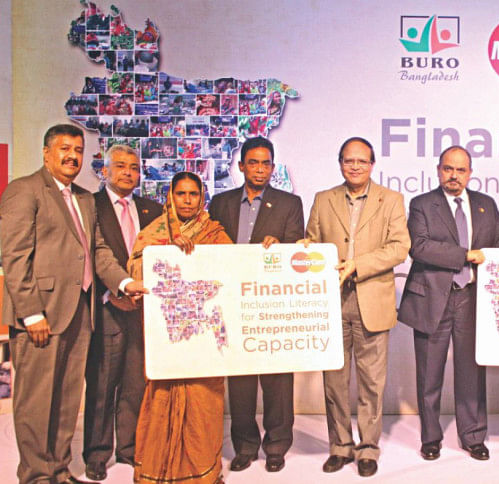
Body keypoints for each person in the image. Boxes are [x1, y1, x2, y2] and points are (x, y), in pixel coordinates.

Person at [0, 124, 146, 484]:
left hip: (80, 315)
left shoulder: (83, 199)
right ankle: (36, 475)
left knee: (66, 400)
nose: (72, 156)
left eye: (78, 150)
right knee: (36, 403)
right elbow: (15, 258)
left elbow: (98, 251)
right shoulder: (24, 190)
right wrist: (31, 314)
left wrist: (125, 283)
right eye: (64, 149)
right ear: (46, 153)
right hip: (41, 316)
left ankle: (59, 470)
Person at [301, 137, 410, 478]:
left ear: (372, 165)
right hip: (332, 300)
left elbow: (399, 247)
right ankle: (340, 446)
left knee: (371, 383)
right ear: (340, 163)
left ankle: (368, 449)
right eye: (349, 161)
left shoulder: (390, 199)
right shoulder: (323, 199)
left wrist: (358, 265)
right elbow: (312, 242)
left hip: (371, 299)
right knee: (334, 381)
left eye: (362, 161)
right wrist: (304, 249)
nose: (355, 166)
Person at [398, 146, 499, 462]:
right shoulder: (422, 204)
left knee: (471, 372)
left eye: (460, 170)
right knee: (429, 374)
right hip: (432, 298)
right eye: (448, 169)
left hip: (472, 298)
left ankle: (473, 437)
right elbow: (419, 247)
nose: (454, 175)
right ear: (438, 170)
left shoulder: (486, 204)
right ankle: (431, 438)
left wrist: (496, 255)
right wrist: (464, 256)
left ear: (470, 173)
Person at [128, 172, 232, 484]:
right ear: (170, 197)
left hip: (204, 338)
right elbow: (136, 268)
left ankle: (203, 472)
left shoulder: (214, 233)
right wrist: (169, 253)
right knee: (162, 397)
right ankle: (158, 470)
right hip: (168, 336)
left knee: (204, 401)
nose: (187, 200)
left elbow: (231, 270)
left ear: (202, 198)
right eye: (181, 194)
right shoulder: (155, 232)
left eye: (193, 194)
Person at [208, 136, 304, 473]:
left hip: (273, 303)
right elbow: (209, 248)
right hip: (232, 303)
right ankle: (245, 446)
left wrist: (281, 247)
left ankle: (277, 445)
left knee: (278, 379)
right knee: (241, 380)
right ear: (241, 166)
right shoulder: (220, 203)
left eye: (266, 163)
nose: (260, 169)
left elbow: (297, 251)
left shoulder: (290, 203)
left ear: (273, 167)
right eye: (253, 163)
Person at [83, 144, 163, 481]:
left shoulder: (152, 209)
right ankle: (96, 454)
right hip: (107, 307)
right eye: (120, 166)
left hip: (142, 310)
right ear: (105, 170)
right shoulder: (90, 205)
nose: (128, 172)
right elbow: (90, 255)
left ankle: (129, 448)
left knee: (134, 384)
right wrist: (112, 292)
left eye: (134, 167)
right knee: (102, 384)